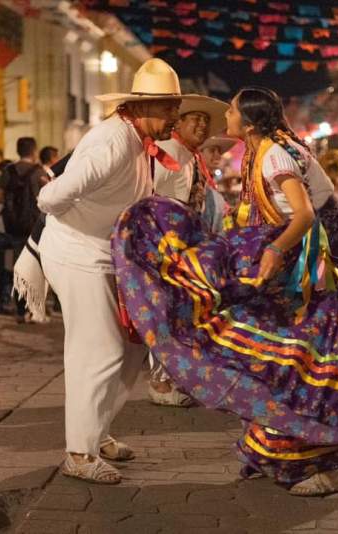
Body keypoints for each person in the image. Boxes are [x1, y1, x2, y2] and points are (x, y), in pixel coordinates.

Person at [112, 87, 338, 496]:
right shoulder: (267, 150)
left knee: (297, 367)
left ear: (249, 123)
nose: (225, 118)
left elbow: (304, 213)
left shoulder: (274, 156)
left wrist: (272, 250)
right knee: (285, 365)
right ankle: (291, 456)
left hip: (308, 277)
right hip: (299, 273)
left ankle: (311, 466)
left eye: (232, 111)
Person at [34, 58, 191, 484]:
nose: (174, 117)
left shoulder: (139, 143)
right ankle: (79, 453)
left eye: (175, 107)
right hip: (76, 253)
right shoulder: (112, 145)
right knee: (98, 349)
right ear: (138, 109)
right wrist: (75, 226)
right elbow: (49, 197)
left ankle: (96, 433)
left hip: (107, 255)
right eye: (167, 109)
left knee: (132, 348)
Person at [149, 94, 229, 407]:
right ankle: (160, 382)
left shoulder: (188, 156)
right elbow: (149, 196)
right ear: (178, 123)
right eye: (194, 118)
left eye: (205, 121)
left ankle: (174, 378)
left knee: (180, 316)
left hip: (182, 250)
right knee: (164, 316)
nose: (200, 124)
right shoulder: (169, 152)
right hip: (165, 249)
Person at [0, 137, 45, 322]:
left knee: (18, 265)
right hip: (34, 226)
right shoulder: (39, 172)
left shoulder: (8, 171)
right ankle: (32, 308)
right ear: (34, 151)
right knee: (35, 266)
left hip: (13, 226)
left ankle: (20, 310)